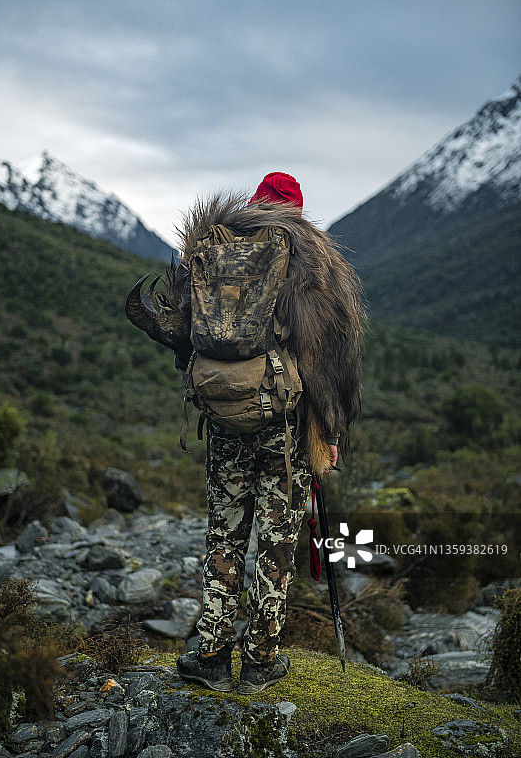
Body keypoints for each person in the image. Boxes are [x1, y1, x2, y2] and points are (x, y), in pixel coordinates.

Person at [175, 172, 365, 694]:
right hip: (287, 426)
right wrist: (331, 430)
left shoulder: (214, 242)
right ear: (298, 209)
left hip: (226, 420)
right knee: (276, 540)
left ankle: (211, 651)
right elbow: (332, 358)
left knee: (225, 533)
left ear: (255, 201)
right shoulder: (314, 259)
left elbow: (183, 335)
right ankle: (261, 658)